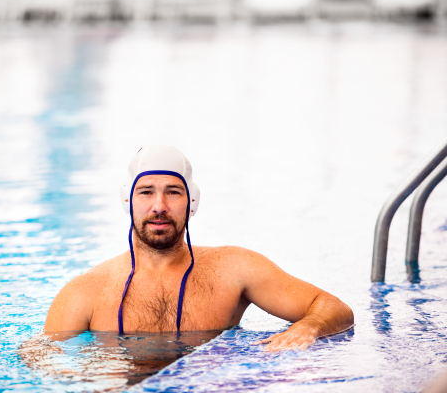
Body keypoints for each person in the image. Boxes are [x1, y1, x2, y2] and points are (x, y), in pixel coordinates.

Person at [43, 144, 354, 351]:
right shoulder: (85, 292)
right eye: (146, 192)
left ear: (192, 202)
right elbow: (40, 358)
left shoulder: (234, 269)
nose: (159, 206)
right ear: (129, 202)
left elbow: (335, 308)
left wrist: (308, 328)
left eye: (173, 192)